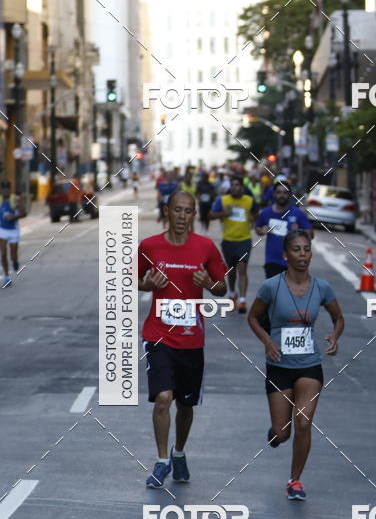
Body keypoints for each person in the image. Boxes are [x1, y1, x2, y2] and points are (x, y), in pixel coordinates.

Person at [138, 190, 227, 488]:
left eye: (188, 212)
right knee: (164, 398)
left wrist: (209, 283)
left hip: (191, 339)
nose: (182, 217)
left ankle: (178, 453)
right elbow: (130, 279)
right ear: (167, 211)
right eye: (177, 210)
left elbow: (222, 287)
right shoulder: (149, 246)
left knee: (185, 407)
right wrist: (147, 283)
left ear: (193, 215)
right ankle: (162, 461)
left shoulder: (206, 247)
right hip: (158, 336)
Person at [247, 230, 344, 500]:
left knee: (303, 423)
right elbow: (253, 318)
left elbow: (338, 317)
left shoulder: (322, 287)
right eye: (297, 250)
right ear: (285, 255)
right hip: (278, 364)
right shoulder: (271, 286)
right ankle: (276, 435)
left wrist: (335, 336)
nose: (302, 255)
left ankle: (295, 481)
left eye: (306, 249)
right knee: (283, 433)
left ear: (311, 253)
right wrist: (267, 341)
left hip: (309, 365)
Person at [209, 175, 257, 314]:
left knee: (242, 268)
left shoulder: (249, 200)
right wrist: (224, 213)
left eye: (237, 185)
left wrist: (254, 221)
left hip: (244, 240)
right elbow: (210, 215)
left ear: (242, 187)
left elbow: (255, 214)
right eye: (233, 185)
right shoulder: (223, 200)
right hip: (228, 241)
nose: (235, 188)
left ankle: (242, 300)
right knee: (231, 271)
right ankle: (232, 294)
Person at [255, 180, 313, 278]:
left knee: (291, 292)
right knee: (274, 292)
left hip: (293, 262)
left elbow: (311, 234)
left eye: (285, 192)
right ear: (274, 194)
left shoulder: (297, 213)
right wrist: (262, 230)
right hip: (272, 261)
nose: (282, 195)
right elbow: (257, 228)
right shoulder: (266, 212)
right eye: (279, 192)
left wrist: (299, 232)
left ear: (289, 195)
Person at [0, 180, 24, 287]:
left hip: (13, 230)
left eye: (7, 188)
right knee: (3, 253)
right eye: (3, 188)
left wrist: (13, 217)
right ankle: (6, 277)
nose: (5, 191)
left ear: (10, 189)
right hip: (2, 229)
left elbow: (24, 213)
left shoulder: (15, 199)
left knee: (13, 255)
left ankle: (15, 261)